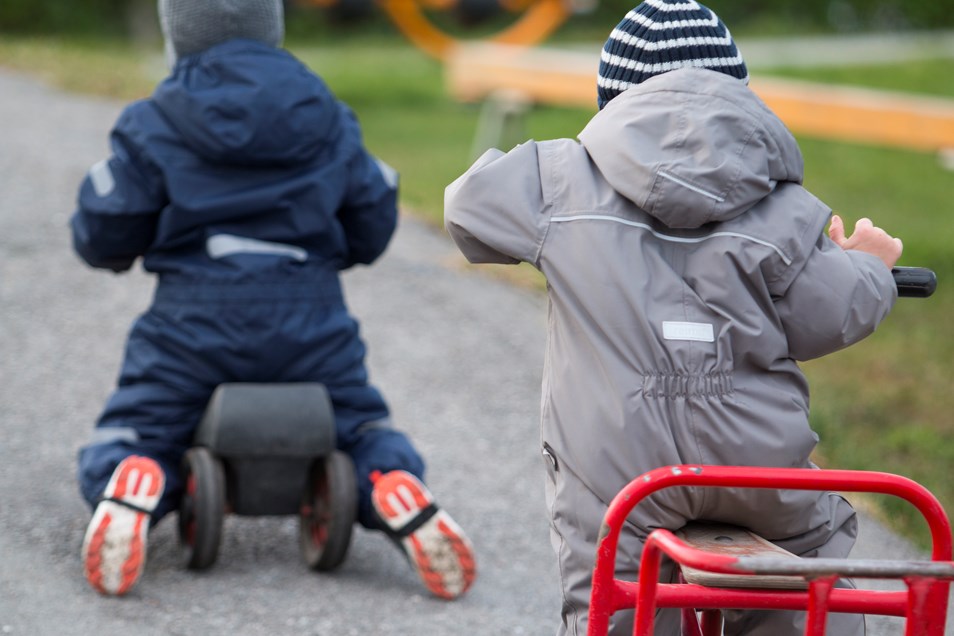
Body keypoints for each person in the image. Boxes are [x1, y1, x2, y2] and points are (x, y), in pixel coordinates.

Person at [444, 0, 902, 633]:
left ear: (614, 102)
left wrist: (551, 174)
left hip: (621, 477)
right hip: (759, 469)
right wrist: (870, 269)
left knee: (611, 591)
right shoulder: (787, 207)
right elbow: (825, 315)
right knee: (810, 571)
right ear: (739, 92)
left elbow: (467, 213)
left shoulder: (560, 181)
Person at [72, 0, 475, 600]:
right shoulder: (326, 114)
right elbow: (372, 211)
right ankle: (391, 484)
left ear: (177, 35)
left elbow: (108, 222)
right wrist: (344, 249)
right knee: (358, 422)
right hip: (311, 313)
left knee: (142, 424)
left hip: (192, 317)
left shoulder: (156, 117)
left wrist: (109, 249)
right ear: (274, 28)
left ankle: (137, 479)